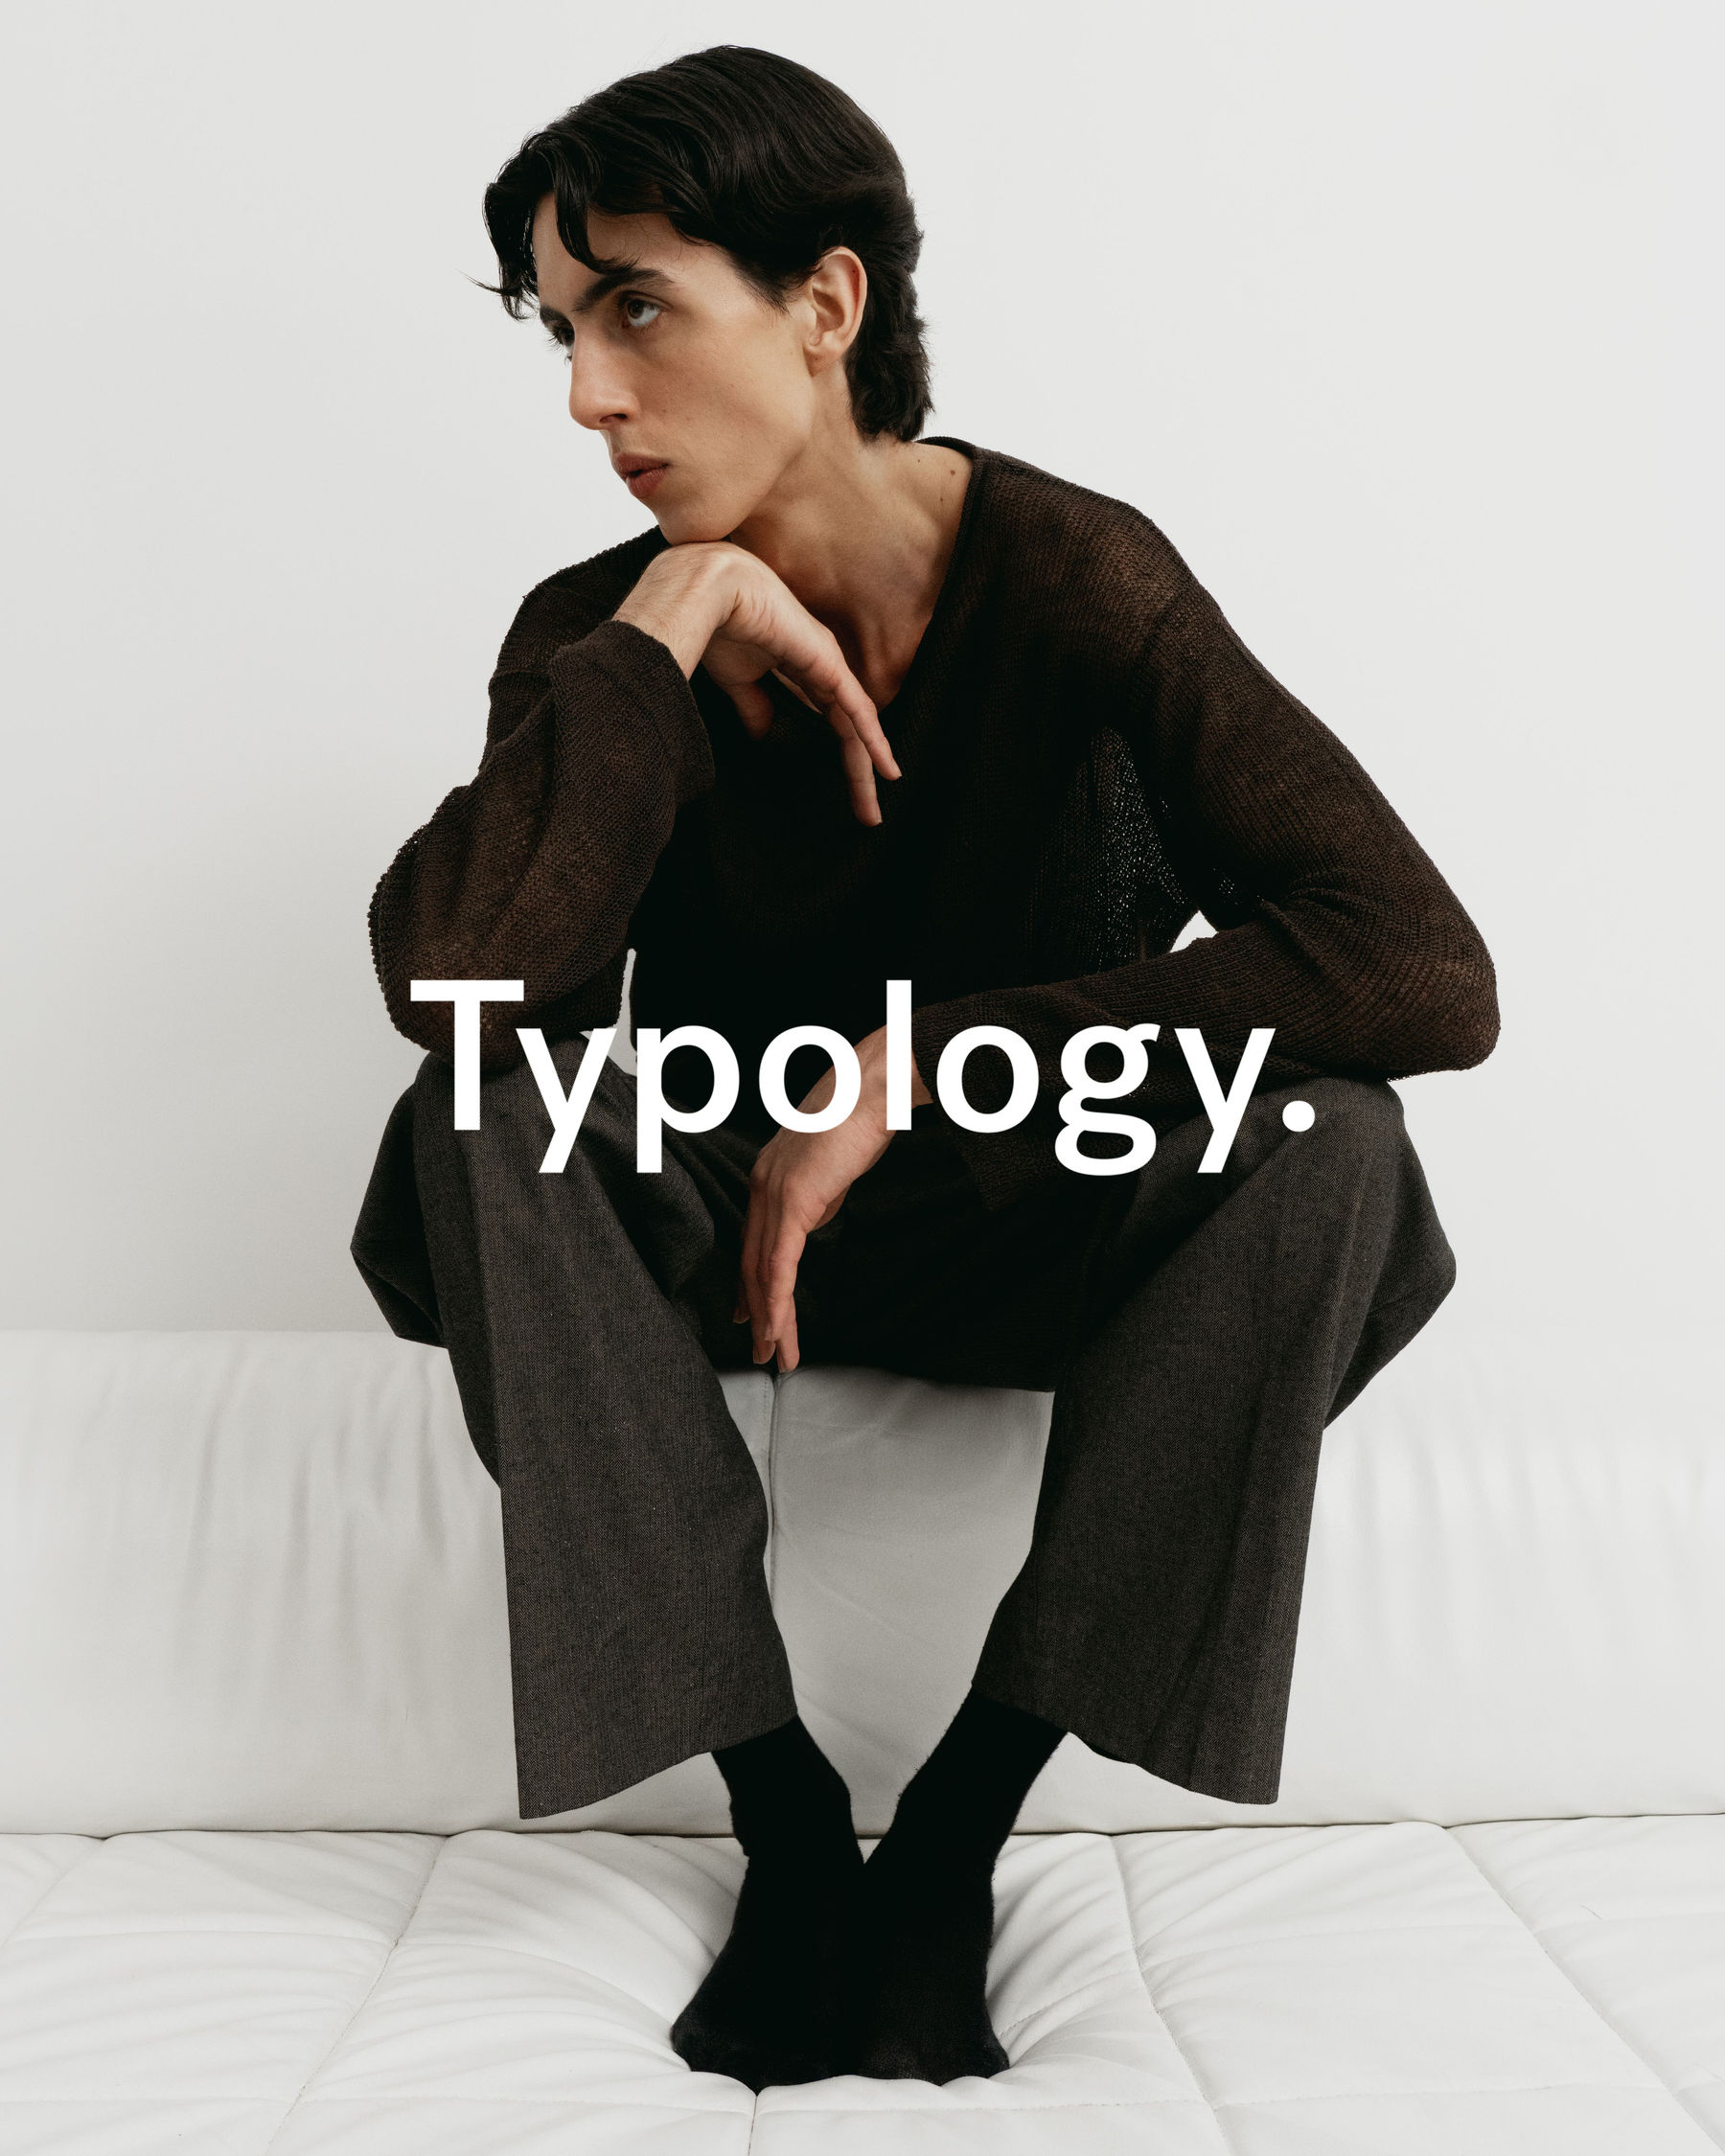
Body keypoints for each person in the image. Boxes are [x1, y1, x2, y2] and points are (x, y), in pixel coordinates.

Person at [350, 44, 1499, 2093]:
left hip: (1016, 1223)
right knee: (474, 1098)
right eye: (563, 331)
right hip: (718, 1239)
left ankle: (959, 1825)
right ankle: (786, 1814)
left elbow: (1419, 965)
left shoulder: (1081, 579)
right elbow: (455, 986)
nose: (590, 395)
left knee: (1336, 1135)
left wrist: (940, 1057)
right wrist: (665, 631)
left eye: (637, 309)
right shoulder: (598, 632)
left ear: (824, 302)